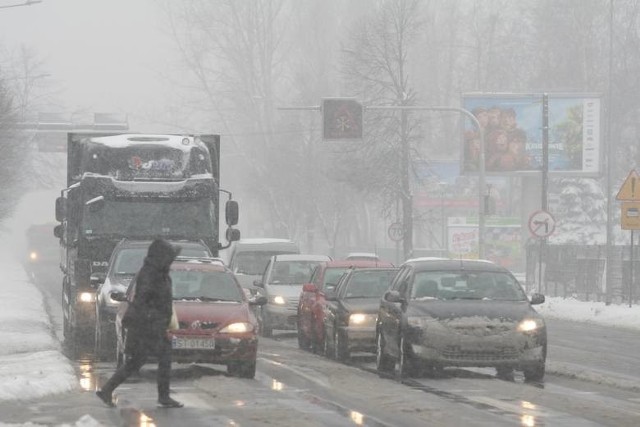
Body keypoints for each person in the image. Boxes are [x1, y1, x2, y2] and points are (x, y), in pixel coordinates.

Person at [96, 238, 184, 408]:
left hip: (151, 325)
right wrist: (154, 322)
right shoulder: (151, 274)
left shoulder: (159, 272)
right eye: (169, 256)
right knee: (161, 357)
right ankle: (163, 396)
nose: (171, 260)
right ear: (160, 256)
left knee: (136, 362)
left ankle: (107, 390)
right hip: (147, 327)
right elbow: (143, 300)